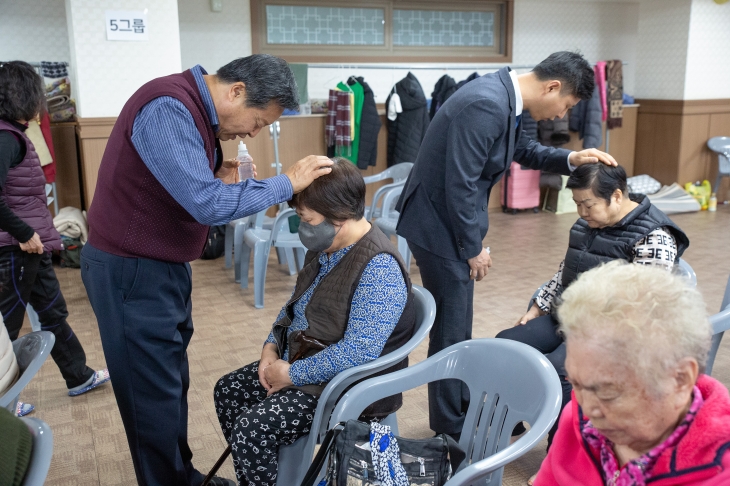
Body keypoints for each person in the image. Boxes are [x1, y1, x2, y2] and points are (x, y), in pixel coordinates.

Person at [80, 55, 333, 486]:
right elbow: (207, 205)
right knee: (149, 395)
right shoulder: (168, 107)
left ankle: (179, 475)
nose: (252, 132)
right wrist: (286, 182)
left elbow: (184, 187)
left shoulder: (195, 112)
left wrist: (211, 174)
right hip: (132, 271)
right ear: (235, 91)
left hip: (160, 265)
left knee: (168, 383)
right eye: (257, 120)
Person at [395, 51, 617, 439]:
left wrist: (570, 157)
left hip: (445, 220)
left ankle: (460, 407)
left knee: (458, 324)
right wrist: (471, 248)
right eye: (566, 105)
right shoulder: (485, 103)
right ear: (553, 87)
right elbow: (459, 185)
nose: (560, 115)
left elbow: (523, 151)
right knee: (451, 328)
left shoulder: (507, 98)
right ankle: (451, 426)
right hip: (437, 225)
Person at [214, 158, 415, 486]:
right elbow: (294, 308)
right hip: (309, 359)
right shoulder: (326, 247)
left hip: (346, 385)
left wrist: (290, 374)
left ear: (337, 218)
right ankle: (271, 475)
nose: (301, 227)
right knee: (229, 390)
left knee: (252, 428)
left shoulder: (379, 268)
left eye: (306, 219)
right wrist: (270, 346)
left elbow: (358, 352)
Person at [497, 163, 689, 484]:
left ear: (616, 196)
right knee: (506, 344)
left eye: (588, 204)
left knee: (564, 372)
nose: (581, 211)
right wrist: (539, 305)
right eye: (577, 204)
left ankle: (560, 460)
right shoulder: (587, 223)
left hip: (606, 334)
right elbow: (565, 271)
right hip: (568, 317)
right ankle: (515, 424)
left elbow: (642, 307)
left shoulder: (655, 237)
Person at [535, 261, 730, 485]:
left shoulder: (721, 470)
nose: (587, 408)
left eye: (608, 392)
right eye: (576, 383)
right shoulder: (575, 419)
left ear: (680, 379)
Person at [0, 61, 109, 418]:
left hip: (31, 247)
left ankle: (78, 376)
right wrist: (25, 233)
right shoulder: (5, 137)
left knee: (52, 314)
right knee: (7, 329)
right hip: (16, 248)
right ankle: (4, 407)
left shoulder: (14, 134)